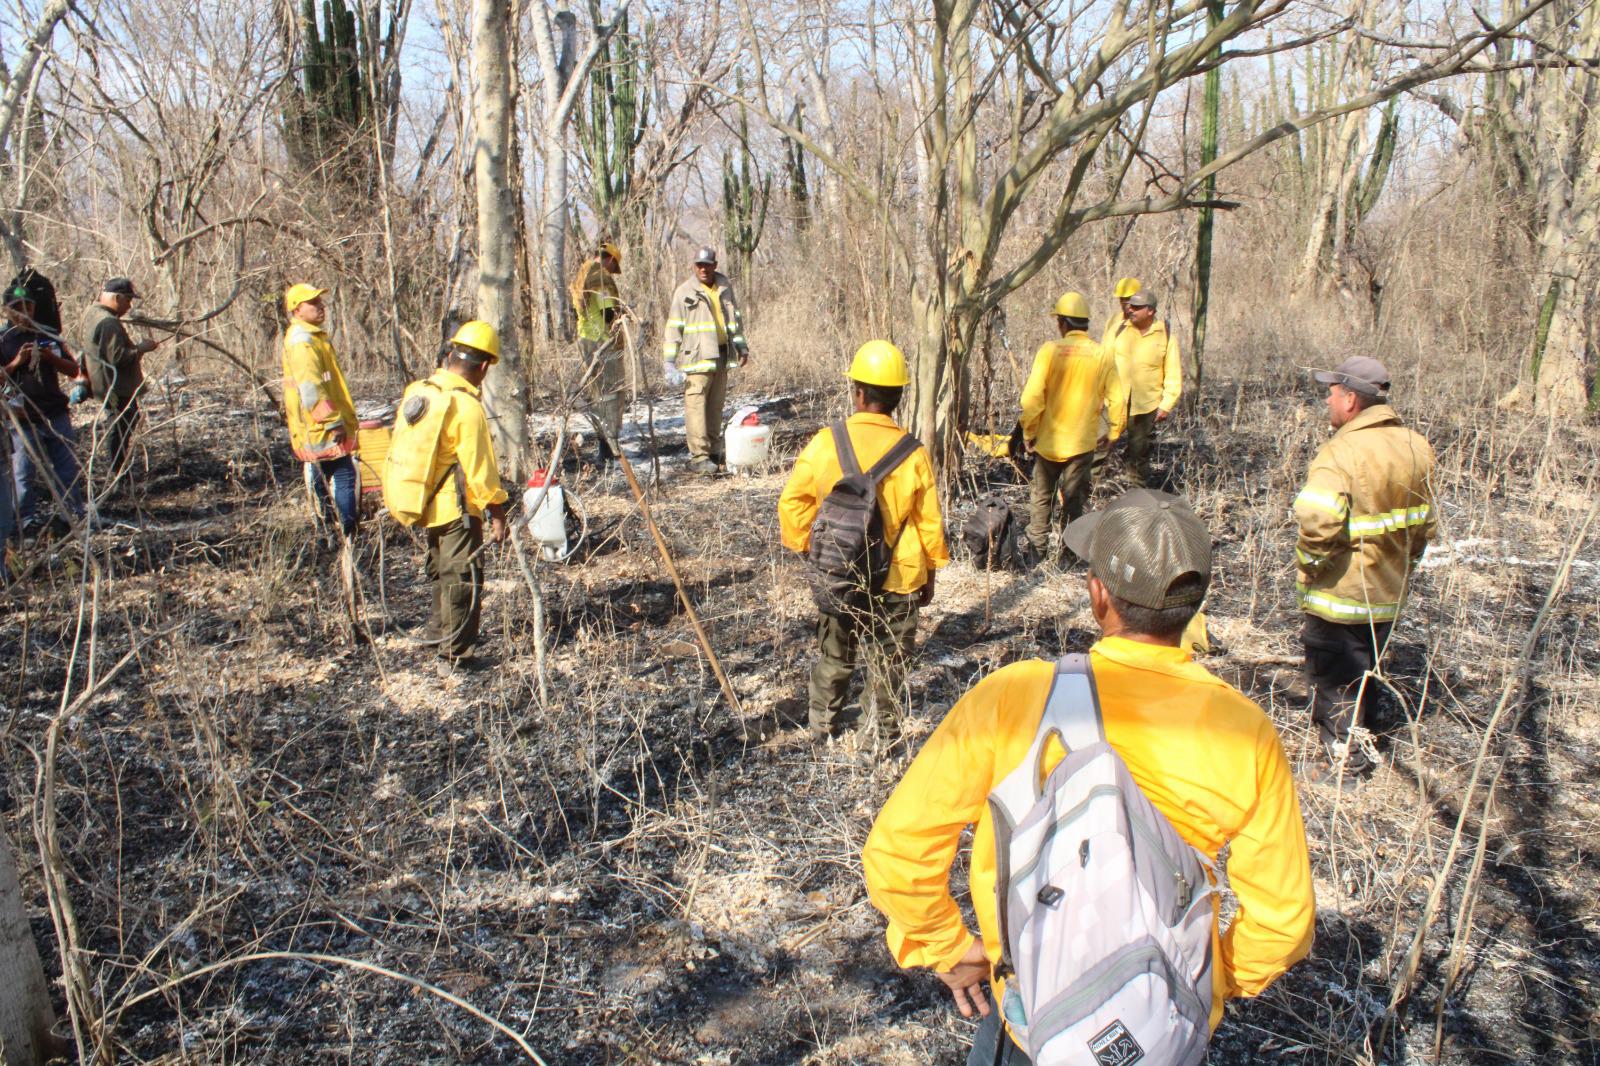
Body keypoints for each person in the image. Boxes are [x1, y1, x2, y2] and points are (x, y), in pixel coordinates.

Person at [862, 489, 1315, 1064]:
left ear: (1098, 595)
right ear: (1192, 607)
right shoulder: (1246, 732)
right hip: (1162, 1036)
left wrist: (948, 948)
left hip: (1032, 1020)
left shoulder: (1015, 696)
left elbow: (898, 853)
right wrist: (1204, 983)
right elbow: (1284, 922)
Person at [778, 340, 949, 744]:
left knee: (835, 656)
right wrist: (930, 574)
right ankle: (878, 737)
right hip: (900, 576)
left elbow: (792, 504)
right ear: (900, 397)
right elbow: (929, 523)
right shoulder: (914, 454)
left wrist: (812, 548)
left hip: (839, 571)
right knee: (887, 665)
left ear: (857, 391)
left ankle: (821, 726)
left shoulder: (825, 442)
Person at [1295, 356, 1435, 786]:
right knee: (1366, 671)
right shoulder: (1416, 446)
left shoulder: (1341, 452)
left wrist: (1310, 566)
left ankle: (1344, 766)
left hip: (1341, 594)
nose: (1327, 400)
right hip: (1387, 592)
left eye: (1332, 393)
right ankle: (1363, 740)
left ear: (1351, 400)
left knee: (1334, 678)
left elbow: (1319, 523)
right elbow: (1424, 524)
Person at [399, 321, 509, 666]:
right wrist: (498, 512)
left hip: (425, 502)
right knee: (462, 579)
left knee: (442, 575)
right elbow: (481, 471)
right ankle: (456, 653)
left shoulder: (421, 392)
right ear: (484, 367)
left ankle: (439, 636)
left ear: (450, 355)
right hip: (457, 510)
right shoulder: (465, 406)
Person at [1018, 291, 1115, 564]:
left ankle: (1036, 553)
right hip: (1082, 444)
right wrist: (1114, 431)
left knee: (1041, 499)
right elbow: (1118, 398)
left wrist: (1029, 431)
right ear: (1085, 324)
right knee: (1074, 501)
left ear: (1062, 322)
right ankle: (1069, 555)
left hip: (1048, 442)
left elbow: (1033, 397)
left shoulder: (1050, 351)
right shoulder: (1101, 354)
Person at [2, 284, 87, 541]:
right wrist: (17, 363)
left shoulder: (48, 335)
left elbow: (75, 371)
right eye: (17, 308)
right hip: (22, 418)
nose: (24, 312)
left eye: (28, 306)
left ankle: (72, 515)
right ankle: (24, 522)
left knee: (66, 469)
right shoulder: (3, 340)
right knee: (23, 473)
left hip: (55, 412)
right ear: (7, 310)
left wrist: (50, 358)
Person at [280, 283, 360, 539]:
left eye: (319, 301)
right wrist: (332, 422)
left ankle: (329, 532)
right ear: (298, 309)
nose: (320, 307)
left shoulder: (312, 336)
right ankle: (347, 533)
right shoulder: (302, 342)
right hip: (319, 428)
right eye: (313, 303)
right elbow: (311, 390)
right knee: (343, 475)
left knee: (322, 476)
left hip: (315, 427)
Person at [662, 247, 750, 475]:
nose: (703, 269)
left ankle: (713, 452)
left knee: (715, 406)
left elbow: (734, 321)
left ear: (715, 265)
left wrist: (741, 346)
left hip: (722, 356)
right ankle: (699, 457)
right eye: (699, 265)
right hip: (697, 360)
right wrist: (669, 362)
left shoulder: (724, 287)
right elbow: (673, 329)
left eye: (707, 264)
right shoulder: (684, 292)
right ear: (694, 266)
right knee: (696, 408)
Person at [80, 277, 160, 479]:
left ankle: (117, 470)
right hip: (116, 387)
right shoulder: (108, 322)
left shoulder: (92, 313)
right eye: (128, 300)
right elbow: (118, 357)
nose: (129, 305)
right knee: (120, 427)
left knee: (122, 424)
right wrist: (142, 348)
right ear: (117, 297)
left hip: (105, 384)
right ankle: (117, 472)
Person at [1105, 288, 1181, 485]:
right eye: (1130, 306)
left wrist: (1166, 405)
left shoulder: (1165, 334)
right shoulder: (1119, 330)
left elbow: (1173, 372)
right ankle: (1091, 495)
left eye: (1137, 307)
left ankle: (1136, 500)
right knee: (1098, 448)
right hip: (1113, 401)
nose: (1130, 310)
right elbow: (1102, 362)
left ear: (1150, 311)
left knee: (1139, 456)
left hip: (1146, 405)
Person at [570, 240, 626, 467]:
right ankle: (609, 448)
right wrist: (621, 315)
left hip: (586, 341)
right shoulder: (601, 280)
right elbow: (607, 314)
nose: (613, 272)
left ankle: (606, 445)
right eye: (614, 267)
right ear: (610, 259)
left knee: (597, 395)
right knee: (611, 394)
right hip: (602, 343)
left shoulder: (582, 277)